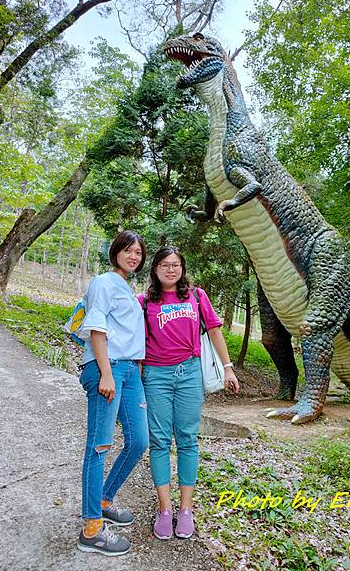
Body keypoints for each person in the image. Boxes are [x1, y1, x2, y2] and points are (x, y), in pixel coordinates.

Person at [139, 245, 239, 541]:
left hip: (189, 374)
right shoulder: (144, 302)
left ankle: (185, 509)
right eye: (165, 265)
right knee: (158, 441)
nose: (171, 269)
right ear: (155, 269)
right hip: (155, 376)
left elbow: (215, 330)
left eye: (176, 264)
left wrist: (228, 367)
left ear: (182, 268)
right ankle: (164, 508)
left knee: (187, 439)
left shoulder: (196, 296)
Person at [76, 230, 149, 557]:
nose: (134, 256)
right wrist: (106, 373)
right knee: (99, 446)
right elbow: (97, 327)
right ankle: (91, 528)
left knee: (138, 441)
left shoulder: (126, 288)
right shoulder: (104, 282)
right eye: (128, 250)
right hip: (110, 368)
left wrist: (135, 371)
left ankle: (103, 499)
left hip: (130, 371)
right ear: (115, 251)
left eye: (138, 253)